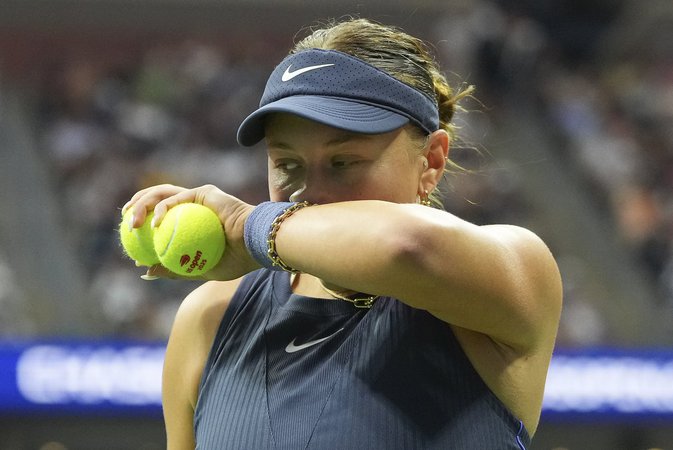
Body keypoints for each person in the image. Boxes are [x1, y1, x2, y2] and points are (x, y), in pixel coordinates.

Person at [123, 17, 562, 450]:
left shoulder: (515, 269)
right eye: (287, 164)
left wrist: (249, 226)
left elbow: (405, 246)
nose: (310, 192)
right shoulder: (210, 316)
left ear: (430, 162)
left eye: (343, 163)